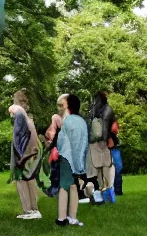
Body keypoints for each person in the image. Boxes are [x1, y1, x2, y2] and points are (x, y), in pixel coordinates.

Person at [56, 94, 88, 227]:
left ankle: (62, 218)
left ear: (67, 105)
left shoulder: (69, 121)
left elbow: (69, 143)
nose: (60, 107)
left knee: (64, 186)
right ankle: (72, 217)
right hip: (77, 158)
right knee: (73, 186)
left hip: (67, 158)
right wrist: (80, 163)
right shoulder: (80, 121)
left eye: (62, 104)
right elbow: (83, 143)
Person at [9, 90, 42, 220]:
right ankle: (34, 210)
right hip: (33, 152)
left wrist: (19, 158)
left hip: (24, 154)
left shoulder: (19, 114)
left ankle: (28, 210)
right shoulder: (28, 117)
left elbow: (18, 137)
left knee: (21, 180)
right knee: (30, 180)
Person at [86, 91, 116, 202]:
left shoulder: (93, 110)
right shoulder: (108, 109)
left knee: (97, 168)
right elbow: (112, 127)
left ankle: (100, 193)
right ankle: (108, 191)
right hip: (105, 143)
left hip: (94, 142)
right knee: (107, 167)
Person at [42, 94, 69, 197]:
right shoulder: (58, 117)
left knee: (57, 171)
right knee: (57, 171)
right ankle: (55, 190)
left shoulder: (60, 117)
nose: (59, 108)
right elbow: (52, 133)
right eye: (58, 106)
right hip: (60, 149)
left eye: (61, 105)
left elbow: (51, 134)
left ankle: (55, 190)